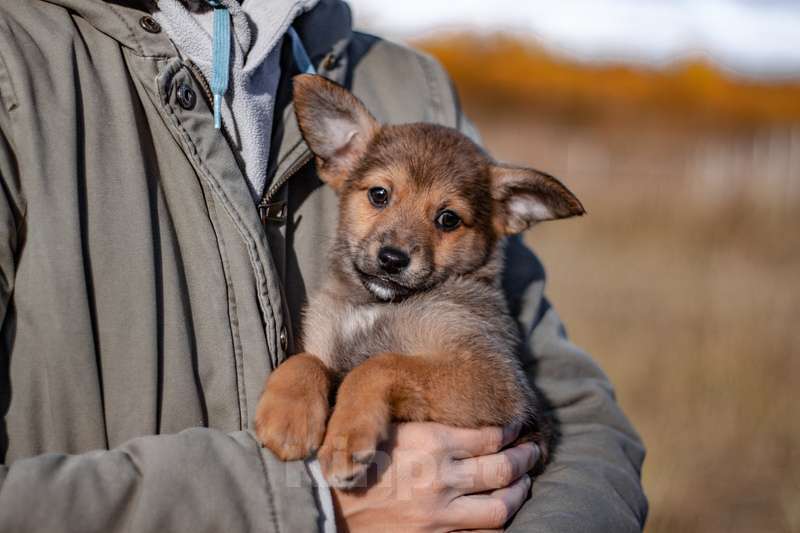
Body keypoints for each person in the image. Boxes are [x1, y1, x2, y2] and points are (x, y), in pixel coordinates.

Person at [0, 0, 647, 531]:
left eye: (445, 220)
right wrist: (304, 499)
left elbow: (566, 414)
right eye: (380, 196)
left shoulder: (411, 84)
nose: (400, 241)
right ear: (338, 158)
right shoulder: (20, 64)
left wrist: (381, 385)